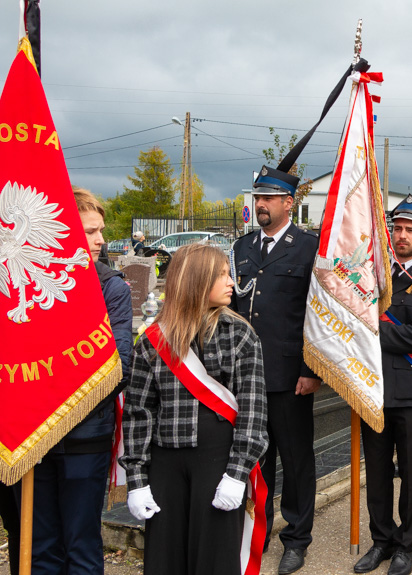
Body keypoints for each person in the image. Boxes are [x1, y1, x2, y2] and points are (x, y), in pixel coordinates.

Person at [122, 244, 268, 575]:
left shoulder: (240, 335)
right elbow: (139, 412)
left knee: (215, 559)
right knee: (164, 558)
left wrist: (237, 472)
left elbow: (254, 412)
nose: (232, 281)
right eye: (221, 275)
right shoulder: (152, 340)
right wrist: (136, 479)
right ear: (196, 281)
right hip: (165, 464)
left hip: (218, 460)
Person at [25, 188, 132, 575]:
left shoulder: (112, 289)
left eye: (100, 230)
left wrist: (53, 395)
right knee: (40, 548)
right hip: (34, 437)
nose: (101, 240)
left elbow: (117, 366)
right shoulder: (29, 286)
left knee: (82, 547)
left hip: (85, 437)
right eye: (89, 232)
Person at [231, 165, 321, 574]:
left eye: (268, 198)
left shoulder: (309, 248)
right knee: (254, 457)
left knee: (296, 458)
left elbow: (317, 315)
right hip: (245, 376)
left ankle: (296, 537)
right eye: (257, 198)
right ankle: (258, 531)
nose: (260, 205)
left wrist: (310, 368)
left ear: (289, 203)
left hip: (290, 376)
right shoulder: (242, 247)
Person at [353, 198, 412, 575]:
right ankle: (381, 540)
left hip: (411, 393)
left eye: (411, 229)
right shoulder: (373, 275)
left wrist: (370, 332)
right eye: (398, 228)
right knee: (376, 473)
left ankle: (406, 545)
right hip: (373, 390)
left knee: (410, 474)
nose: (402, 235)